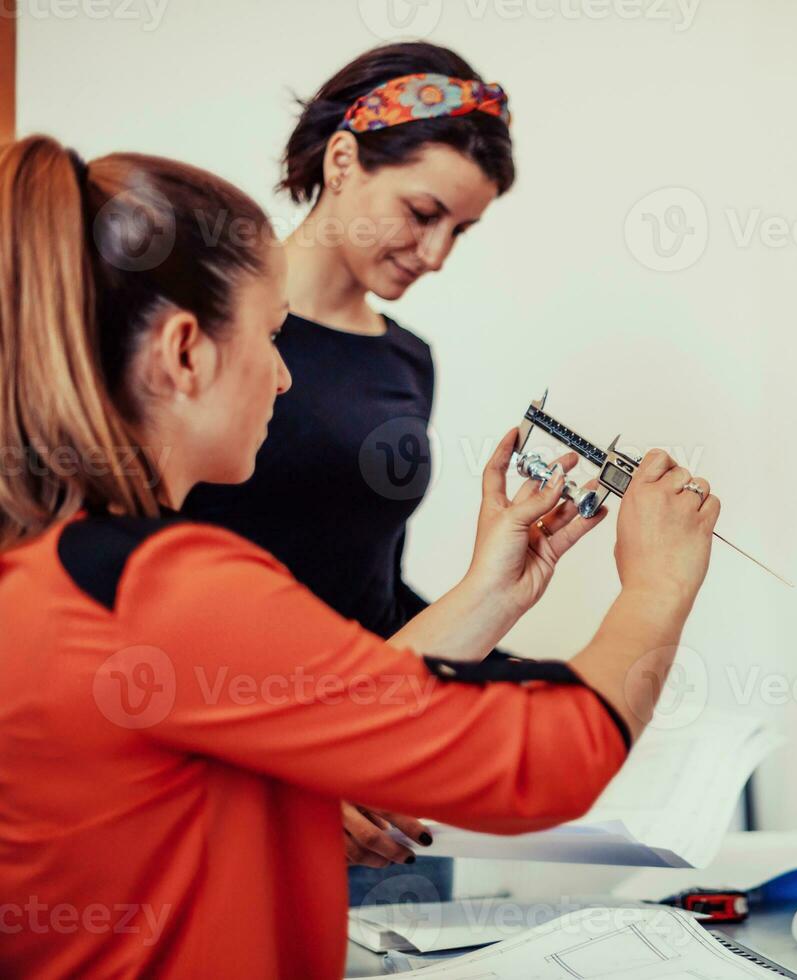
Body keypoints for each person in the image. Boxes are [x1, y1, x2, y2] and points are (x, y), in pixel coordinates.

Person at [0, 135, 718, 979]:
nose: (285, 378)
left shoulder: (59, 572)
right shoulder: (162, 585)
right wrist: (659, 585)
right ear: (185, 353)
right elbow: (543, 762)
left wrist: (494, 589)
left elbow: (338, 694)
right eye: (272, 339)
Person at [180, 41, 525, 898]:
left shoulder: (407, 361)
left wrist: (522, 684)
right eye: (421, 212)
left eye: (463, 231)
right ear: (343, 160)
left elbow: (371, 580)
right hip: (232, 768)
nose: (437, 252)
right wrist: (271, 760)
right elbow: (134, 585)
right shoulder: (200, 323)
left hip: (384, 769)